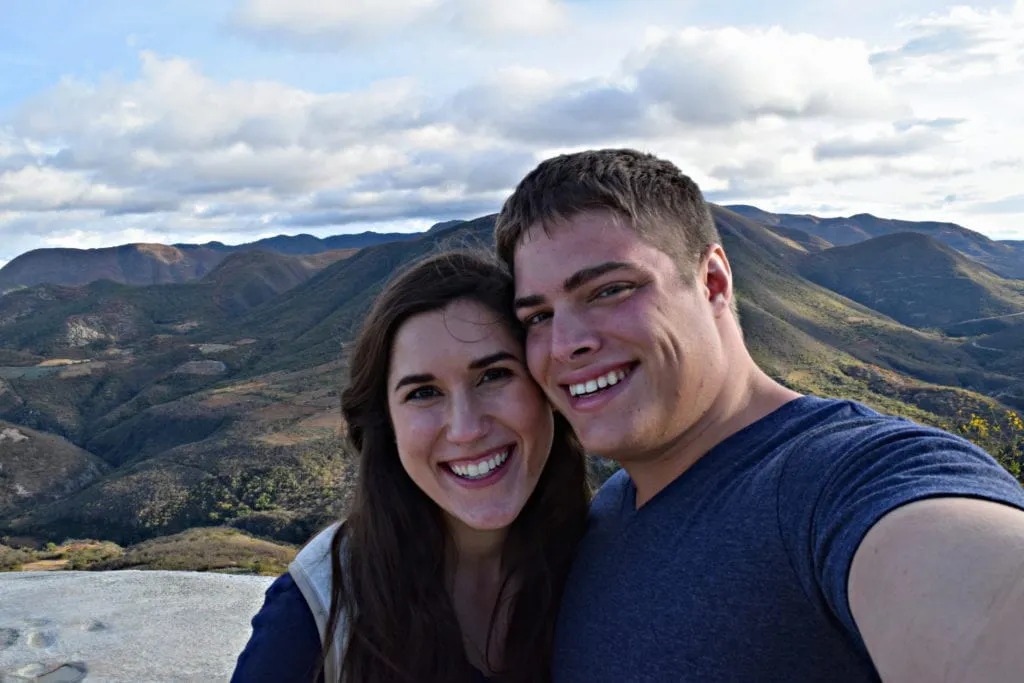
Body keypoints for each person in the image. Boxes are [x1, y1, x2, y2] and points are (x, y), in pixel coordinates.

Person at [494, 148, 1024, 683]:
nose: (565, 344)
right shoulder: (610, 509)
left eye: (610, 290)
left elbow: (985, 593)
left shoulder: (842, 481)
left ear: (714, 282)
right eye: (538, 316)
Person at [230, 250, 589, 683]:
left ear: (545, 387)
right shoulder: (319, 607)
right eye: (423, 393)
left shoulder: (606, 560)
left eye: (494, 375)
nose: (465, 429)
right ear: (388, 425)